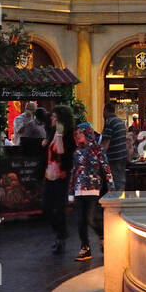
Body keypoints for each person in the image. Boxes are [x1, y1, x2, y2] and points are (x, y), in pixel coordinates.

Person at [71, 120, 111, 262]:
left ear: (87, 133)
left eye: (80, 133)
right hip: (78, 189)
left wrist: (111, 187)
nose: (77, 136)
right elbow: (74, 171)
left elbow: (106, 168)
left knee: (91, 218)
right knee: (80, 220)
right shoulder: (77, 152)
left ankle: (103, 237)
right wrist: (71, 191)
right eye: (76, 134)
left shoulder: (97, 150)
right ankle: (85, 247)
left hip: (93, 189)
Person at [43, 105, 77, 256]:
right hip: (50, 175)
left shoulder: (67, 134)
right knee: (47, 207)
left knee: (58, 207)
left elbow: (65, 152)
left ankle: (60, 237)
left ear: (61, 119)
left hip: (61, 176)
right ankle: (60, 233)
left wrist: (59, 135)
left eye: (54, 117)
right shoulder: (51, 132)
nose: (52, 119)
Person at [101, 102, 128, 192]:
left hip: (113, 157)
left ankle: (117, 202)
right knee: (121, 181)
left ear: (105, 111)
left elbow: (106, 143)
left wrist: (100, 156)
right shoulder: (120, 121)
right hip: (122, 155)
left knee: (114, 182)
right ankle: (121, 200)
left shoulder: (109, 122)